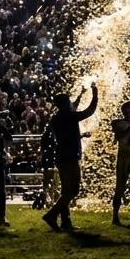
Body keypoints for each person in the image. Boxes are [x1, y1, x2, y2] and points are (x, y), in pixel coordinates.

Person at [42, 83, 99, 231]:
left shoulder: (57, 118)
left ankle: (66, 222)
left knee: (66, 191)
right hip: (71, 157)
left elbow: (67, 132)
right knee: (73, 191)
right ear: (66, 103)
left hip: (61, 156)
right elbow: (90, 111)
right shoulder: (70, 116)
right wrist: (95, 92)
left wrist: (80, 94)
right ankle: (51, 214)